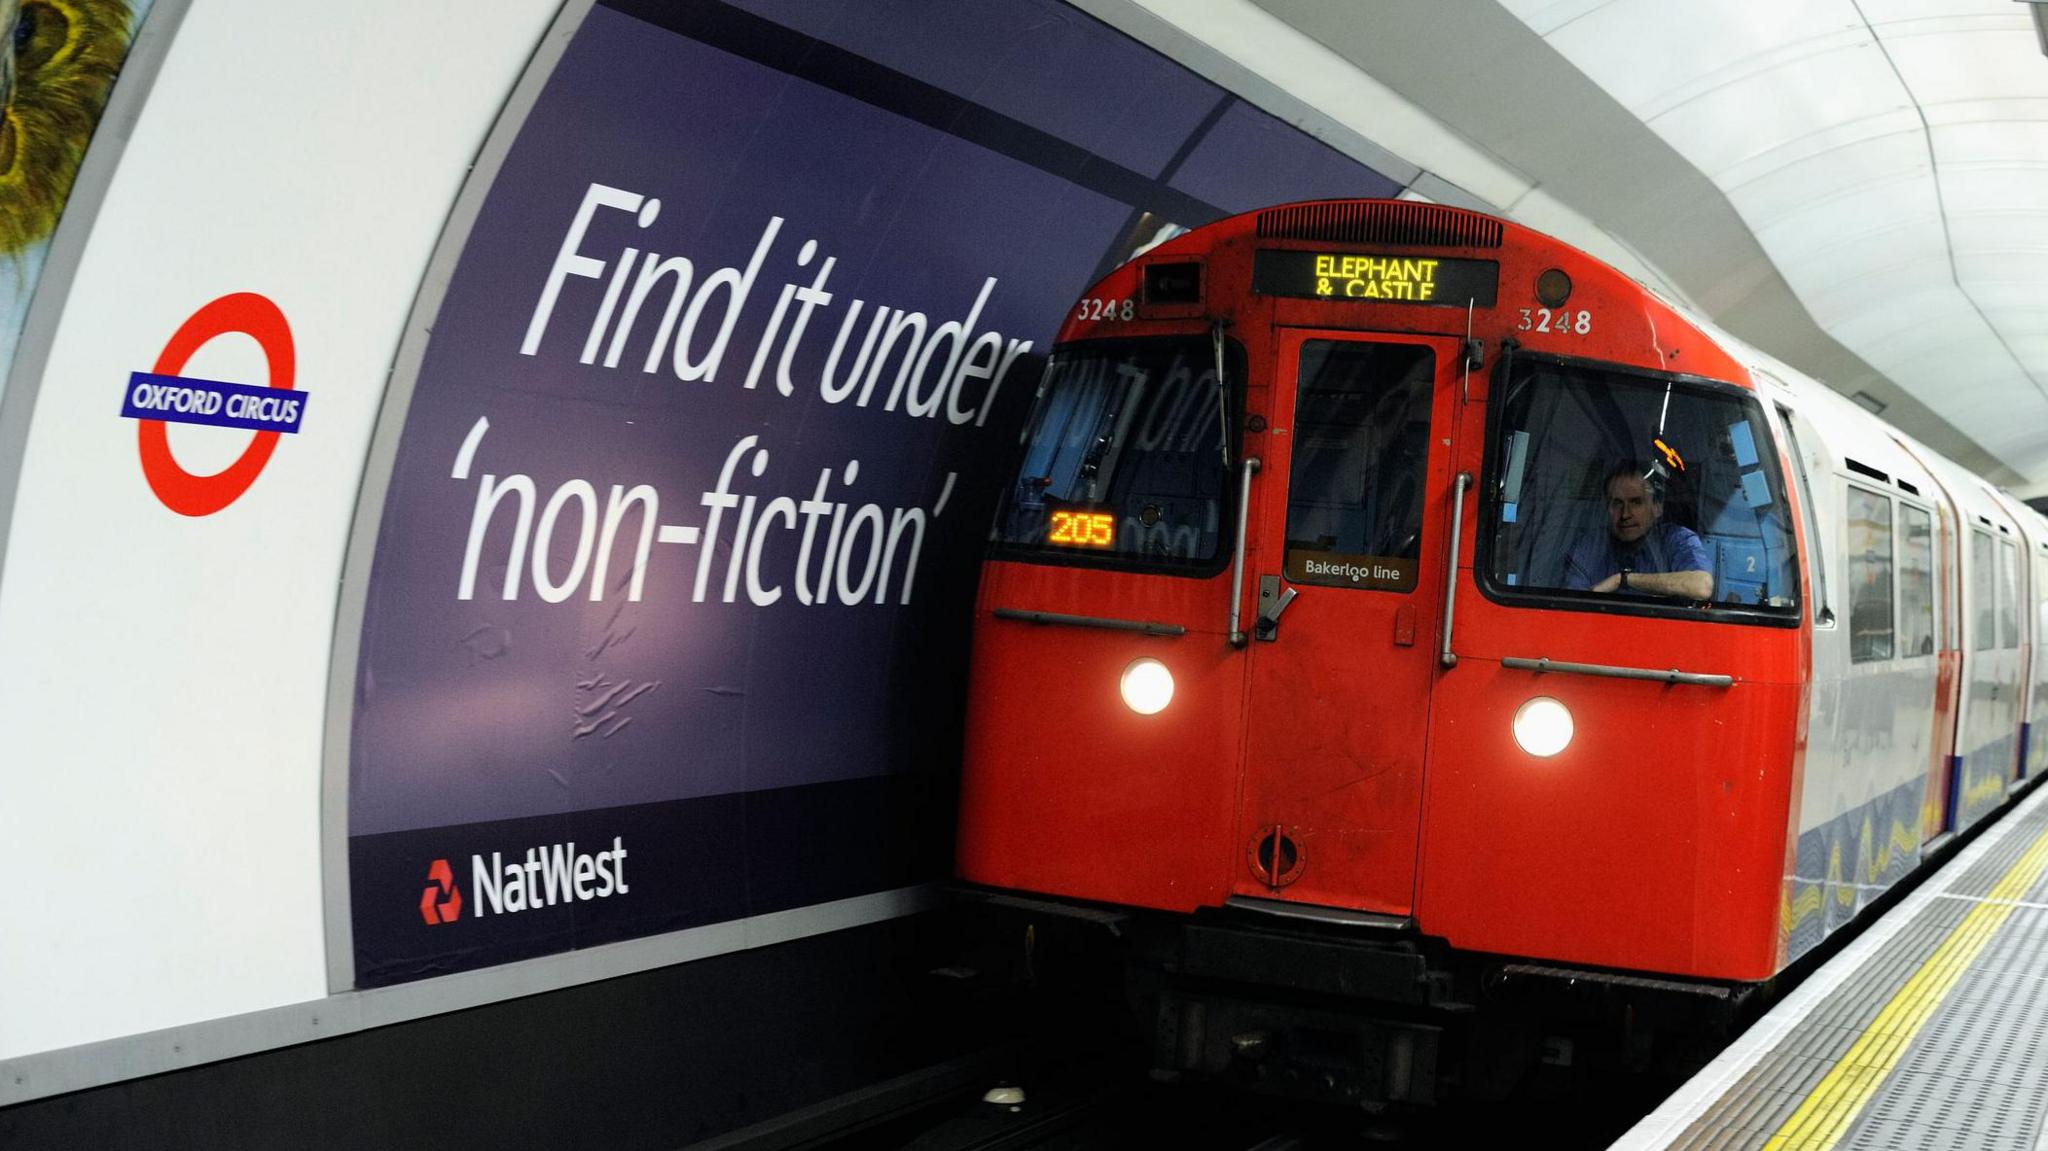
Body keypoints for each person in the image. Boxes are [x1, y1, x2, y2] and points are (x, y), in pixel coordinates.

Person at [1562, 461, 1713, 599]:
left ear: (1657, 508)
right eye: (1617, 503)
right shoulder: (1589, 548)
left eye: (1636, 502)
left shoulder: (1677, 540)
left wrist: (1623, 580)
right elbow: (1571, 607)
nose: (1625, 514)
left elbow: (1701, 587)